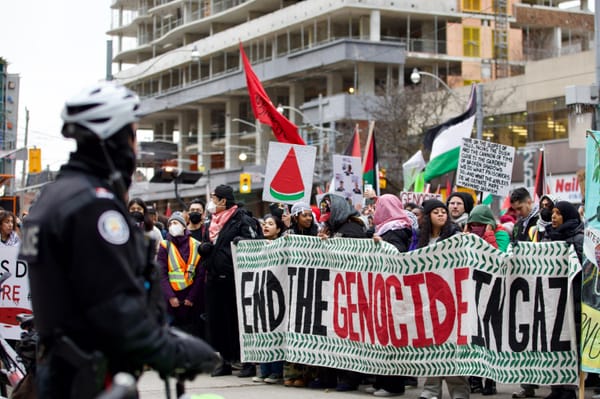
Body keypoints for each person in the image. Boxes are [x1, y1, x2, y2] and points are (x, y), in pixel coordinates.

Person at [19, 82, 219, 399]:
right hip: (89, 379)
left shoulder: (53, 197)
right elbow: (112, 308)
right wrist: (172, 349)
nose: (135, 149)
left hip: (58, 372)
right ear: (116, 137)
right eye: (133, 135)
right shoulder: (93, 206)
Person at [200, 184, 263, 378]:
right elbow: (210, 244)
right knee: (218, 323)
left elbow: (256, 242)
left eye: (214, 198)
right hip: (214, 279)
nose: (211, 202)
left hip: (234, 281)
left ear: (223, 200)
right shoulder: (212, 222)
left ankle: (247, 362)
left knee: (238, 322)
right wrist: (204, 250)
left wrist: (240, 242)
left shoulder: (242, 219)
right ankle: (225, 361)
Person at [417, 199, 468, 399]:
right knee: (431, 347)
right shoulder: (421, 239)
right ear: (428, 216)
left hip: (452, 299)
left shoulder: (455, 236)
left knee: (453, 347)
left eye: (443, 212)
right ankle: (431, 390)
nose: (441, 215)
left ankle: (459, 391)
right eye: (436, 212)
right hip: (428, 300)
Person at [316, 193, 367, 392]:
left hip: (349, 292)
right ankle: (328, 376)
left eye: (327, 212)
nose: (325, 218)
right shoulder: (334, 229)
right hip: (333, 290)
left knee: (347, 336)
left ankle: (349, 378)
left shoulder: (353, 229)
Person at [368, 194, 413, 397]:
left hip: (392, 294)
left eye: (379, 206)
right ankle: (381, 381)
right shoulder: (386, 229)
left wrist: (382, 246)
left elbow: (396, 258)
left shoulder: (395, 231)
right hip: (383, 292)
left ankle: (393, 385)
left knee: (390, 340)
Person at [464, 204, 510, 395]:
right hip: (472, 292)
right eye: (472, 223)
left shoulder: (501, 234)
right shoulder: (466, 235)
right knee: (473, 336)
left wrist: (488, 236)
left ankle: (490, 380)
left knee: (490, 337)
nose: (475, 226)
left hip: (494, 292)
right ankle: (474, 378)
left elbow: (499, 258)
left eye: (479, 223)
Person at [540, 201, 583, 399]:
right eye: (553, 213)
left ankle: (569, 389)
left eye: (558, 213)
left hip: (572, 300)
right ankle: (556, 387)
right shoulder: (547, 236)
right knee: (554, 344)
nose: (554, 216)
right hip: (552, 301)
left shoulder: (579, 238)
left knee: (571, 345)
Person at [252, 213, 286, 385]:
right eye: (264, 223)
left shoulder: (284, 245)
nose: (266, 226)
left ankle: (276, 370)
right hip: (261, 294)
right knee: (262, 330)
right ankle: (264, 369)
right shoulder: (257, 246)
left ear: (278, 229)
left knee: (276, 330)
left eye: (271, 224)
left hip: (278, 295)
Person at [158, 211, 204, 338]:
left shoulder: (196, 245)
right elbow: (161, 274)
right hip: (172, 301)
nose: (172, 225)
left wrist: (191, 297)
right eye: (170, 224)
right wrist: (171, 297)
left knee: (193, 334)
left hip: (192, 300)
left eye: (176, 222)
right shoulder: (164, 245)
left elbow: (200, 275)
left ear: (184, 226)